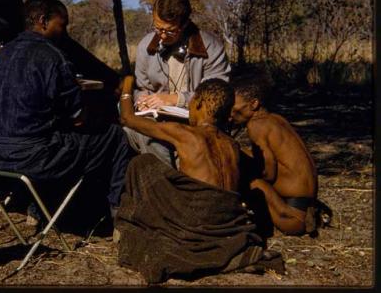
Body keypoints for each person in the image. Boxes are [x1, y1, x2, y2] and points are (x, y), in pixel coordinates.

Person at [0, 0, 132, 221]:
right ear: (43, 21)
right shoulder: (53, 57)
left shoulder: (0, 55)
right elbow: (79, 118)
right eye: (61, 25)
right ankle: (119, 216)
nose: (64, 32)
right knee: (115, 136)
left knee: (56, 137)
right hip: (34, 160)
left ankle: (40, 206)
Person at [115, 75, 275, 283]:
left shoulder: (185, 134)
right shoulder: (232, 145)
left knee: (142, 164)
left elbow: (127, 118)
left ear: (198, 103)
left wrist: (127, 86)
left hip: (197, 222)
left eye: (191, 104)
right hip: (227, 222)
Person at [125, 0, 231, 167]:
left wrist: (176, 99)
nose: (162, 36)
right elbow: (141, 87)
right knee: (142, 133)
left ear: (185, 24)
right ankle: (169, 184)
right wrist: (142, 99)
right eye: (158, 28)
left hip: (196, 121)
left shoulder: (212, 47)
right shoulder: (145, 46)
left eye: (170, 31)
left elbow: (217, 96)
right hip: (158, 121)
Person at [230, 71, 318, 236]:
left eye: (234, 109)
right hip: (307, 207)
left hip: (292, 217)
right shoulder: (276, 119)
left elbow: (268, 175)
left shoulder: (256, 126)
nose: (230, 115)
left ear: (254, 104)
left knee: (249, 179)